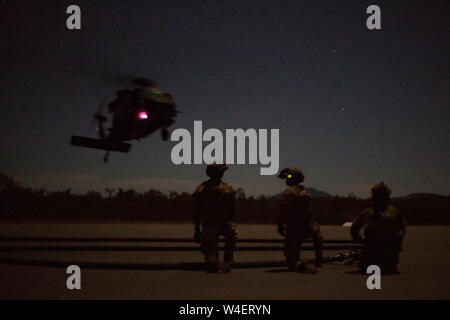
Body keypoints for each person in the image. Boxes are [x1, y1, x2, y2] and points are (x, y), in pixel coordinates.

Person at [351, 182, 406, 274]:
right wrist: (397, 245)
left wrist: (361, 241)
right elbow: (402, 231)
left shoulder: (369, 212)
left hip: (372, 254)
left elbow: (354, 229)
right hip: (390, 256)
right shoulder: (396, 212)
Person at [192, 163, 237, 273]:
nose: (222, 173)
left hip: (224, 222)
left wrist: (232, 221)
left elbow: (232, 208)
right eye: (220, 171)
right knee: (211, 258)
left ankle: (227, 260)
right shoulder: (201, 189)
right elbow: (196, 210)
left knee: (232, 234)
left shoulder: (228, 188)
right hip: (209, 223)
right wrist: (197, 229)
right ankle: (213, 261)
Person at [277, 167, 323, 272]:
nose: (286, 179)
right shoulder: (306, 192)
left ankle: (304, 265)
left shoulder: (289, 192)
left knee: (291, 259)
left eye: (288, 177)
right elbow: (310, 212)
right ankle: (318, 261)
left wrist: (280, 225)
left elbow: (283, 210)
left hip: (294, 229)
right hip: (307, 226)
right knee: (317, 236)